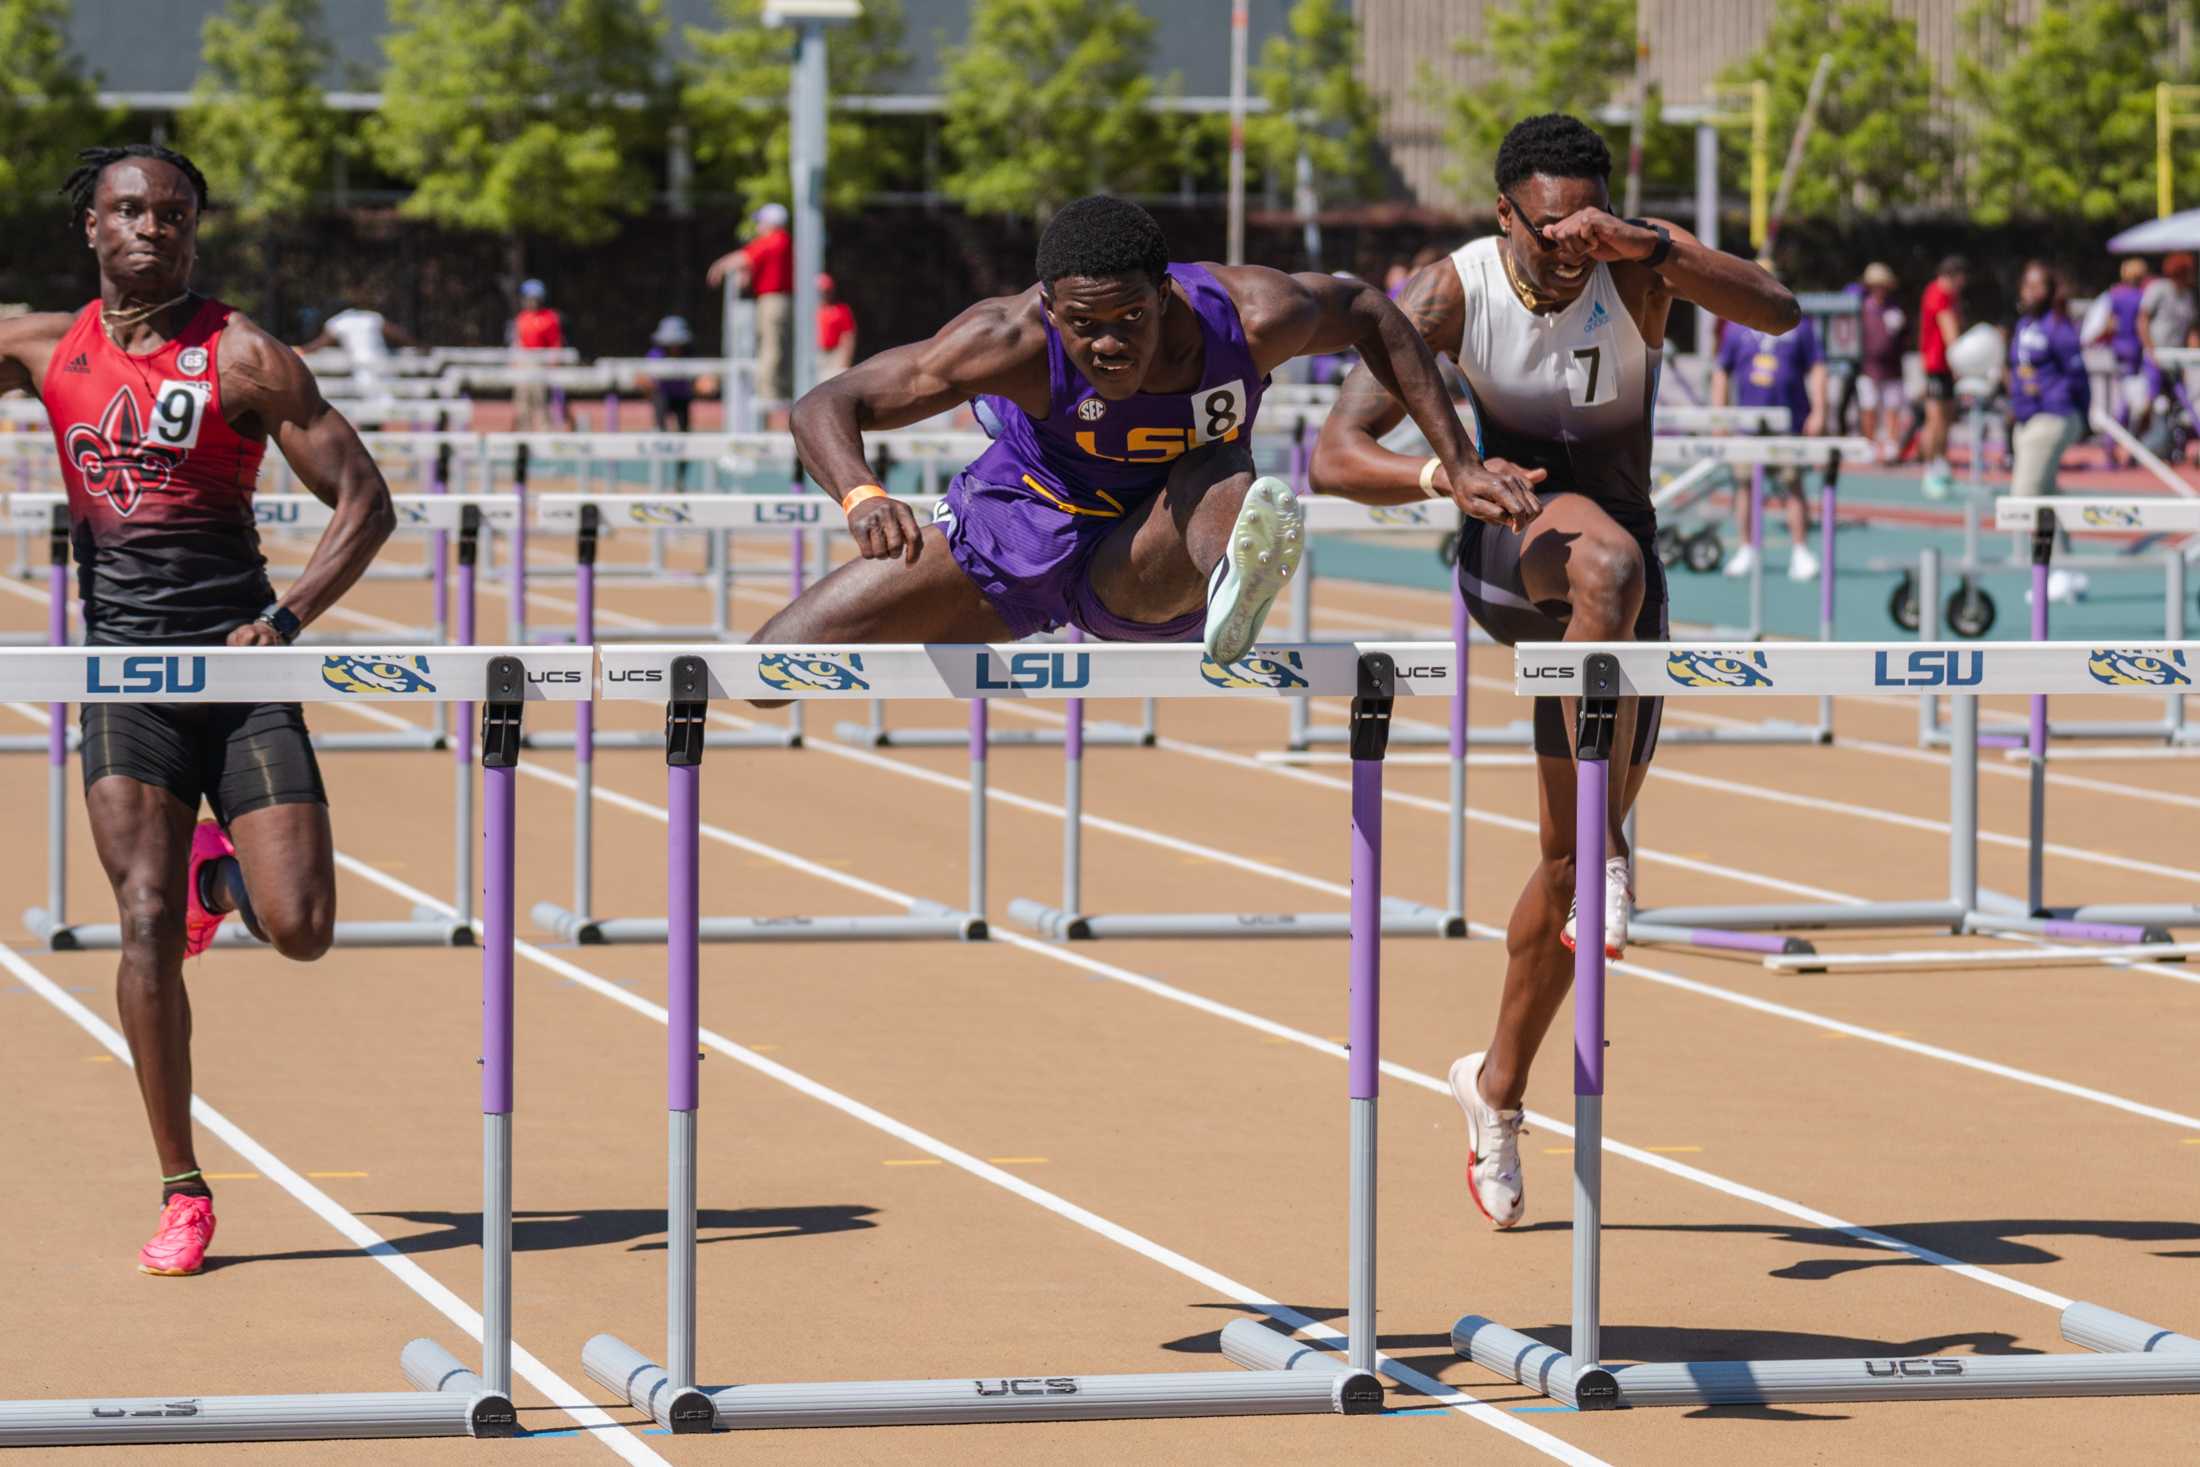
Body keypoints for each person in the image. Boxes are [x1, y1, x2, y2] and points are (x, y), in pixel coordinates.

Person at [1308, 113, 1797, 1230]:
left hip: (1621, 590)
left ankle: (1494, 1088)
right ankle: (1604, 839)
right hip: (1512, 547)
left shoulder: (1637, 266)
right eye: (1549, 229)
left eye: (1586, 223)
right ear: (1501, 215)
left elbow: (1778, 311)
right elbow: (1335, 456)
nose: (1568, 246)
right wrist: (1449, 477)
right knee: (1604, 570)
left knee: (1565, 873)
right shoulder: (1451, 289)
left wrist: (1648, 246)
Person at [0, 144, 396, 1276]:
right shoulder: (43, 348)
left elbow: (366, 501)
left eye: (173, 215)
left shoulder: (244, 357)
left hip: (239, 672)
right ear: (92, 226)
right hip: (125, 682)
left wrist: (290, 618)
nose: (152, 231)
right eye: (130, 211)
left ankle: (218, 882)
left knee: (304, 927)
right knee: (137, 921)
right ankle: (183, 1188)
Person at [754, 193, 1495, 675]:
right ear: (1048, 309)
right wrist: (860, 494)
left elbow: (1370, 309)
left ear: (1165, 292)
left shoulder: (1253, 317)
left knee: (1222, 462)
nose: (1109, 345)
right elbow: (828, 401)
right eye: (1083, 326)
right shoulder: (1003, 339)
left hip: (1150, 554)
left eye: (1131, 319)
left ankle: (1231, 583)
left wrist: (1457, 460)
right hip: (1011, 531)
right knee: (769, 670)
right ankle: (1221, 569)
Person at [1712, 264, 1824, 582]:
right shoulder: (1736, 326)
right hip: (1748, 420)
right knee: (1745, 485)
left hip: (1788, 419)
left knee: (1793, 484)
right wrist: (1720, 414)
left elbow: (1817, 368)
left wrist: (1819, 411)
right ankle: (1747, 547)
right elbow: (1722, 371)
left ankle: (1801, 549)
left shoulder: (1799, 325)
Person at [2008, 261, 2091, 604]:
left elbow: (2078, 376)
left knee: (2025, 498)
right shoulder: (2023, 324)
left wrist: (2084, 418)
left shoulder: (2059, 328)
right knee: (2048, 494)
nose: (2030, 292)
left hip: (2053, 416)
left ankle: (2051, 569)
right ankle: (2066, 569)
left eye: (2037, 285)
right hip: (2026, 420)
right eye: (2026, 285)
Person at [707, 202, 794, 410]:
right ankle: (772, 391)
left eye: (761, 222)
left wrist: (718, 267)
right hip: (775, 300)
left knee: (771, 346)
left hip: (774, 300)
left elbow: (743, 257)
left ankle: (768, 394)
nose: (758, 227)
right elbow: (753, 264)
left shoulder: (776, 240)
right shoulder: (781, 242)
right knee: (772, 345)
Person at [2139, 252, 2198, 454]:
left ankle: (2173, 446)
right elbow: (2143, 319)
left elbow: (2191, 330)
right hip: (2157, 355)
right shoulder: (2159, 290)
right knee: (2151, 398)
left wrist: (2192, 356)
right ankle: (2134, 437)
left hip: (2176, 359)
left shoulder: (2188, 297)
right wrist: (2150, 349)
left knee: (2180, 402)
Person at [1918, 256, 1966, 498]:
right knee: (1935, 419)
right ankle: (1929, 468)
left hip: (1945, 367)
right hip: (1936, 365)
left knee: (1946, 417)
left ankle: (1940, 462)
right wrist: (1961, 360)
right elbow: (1948, 330)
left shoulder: (1949, 296)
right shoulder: (1937, 293)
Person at [301, 303, 414, 398]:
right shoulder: (371, 317)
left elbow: (317, 346)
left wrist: (298, 350)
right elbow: (399, 334)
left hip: (362, 370)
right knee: (389, 403)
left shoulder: (338, 321)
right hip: (383, 366)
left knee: (372, 407)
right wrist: (419, 345)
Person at [1853, 262, 1907, 459]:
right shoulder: (1861, 307)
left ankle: (1892, 444)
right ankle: (1870, 444)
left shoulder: (1894, 310)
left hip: (1892, 368)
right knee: (1869, 407)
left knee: (1892, 407)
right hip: (1868, 367)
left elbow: (1902, 339)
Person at [639, 314, 696, 488]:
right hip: (662, 397)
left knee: (685, 436)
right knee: (660, 434)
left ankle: (680, 480)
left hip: (682, 399)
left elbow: (701, 381)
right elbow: (643, 380)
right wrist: (647, 387)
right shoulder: (655, 355)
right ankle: (658, 480)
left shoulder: (689, 355)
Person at [510, 278, 566, 431]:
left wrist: (553, 363)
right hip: (523, 362)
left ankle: (544, 432)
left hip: (540, 362)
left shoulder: (549, 318)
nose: (530, 302)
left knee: (540, 401)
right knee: (522, 402)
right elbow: (517, 341)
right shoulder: (521, 318)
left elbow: (555, 342)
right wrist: (515, 361)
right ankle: (523, 433)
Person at [816, 273, 856, 379]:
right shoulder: (810, 312)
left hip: (835, 354)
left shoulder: (841, 310)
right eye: (821, 292)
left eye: (827, 291)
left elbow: (848, 336)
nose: (824, 295)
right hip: (816, 354)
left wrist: (844, 360)